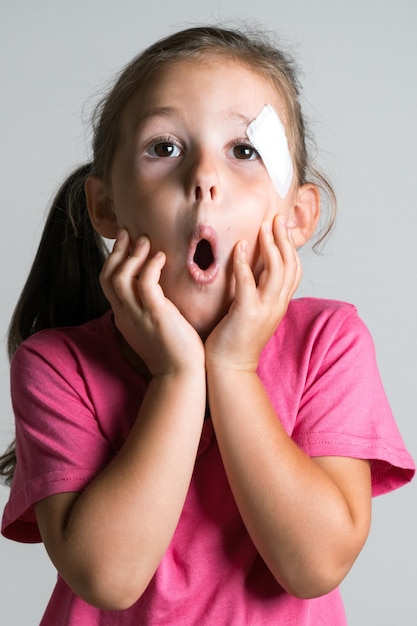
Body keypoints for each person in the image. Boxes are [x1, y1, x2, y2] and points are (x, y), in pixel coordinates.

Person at [0, 25, 414, 625]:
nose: (204, 177)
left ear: (297, 216)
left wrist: (232, 367)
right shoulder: (55, 365)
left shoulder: (329, 343)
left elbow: (315, 563)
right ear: (105, 207)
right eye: (164, 147)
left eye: (244, 150)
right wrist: (176, 376)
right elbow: (107, 578)